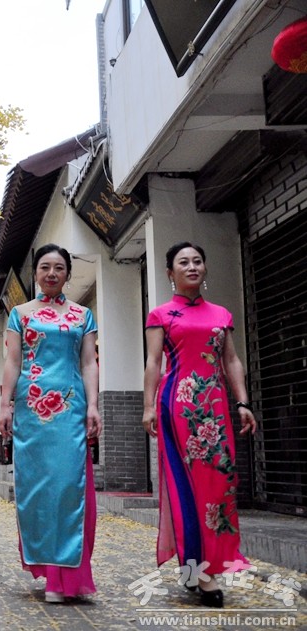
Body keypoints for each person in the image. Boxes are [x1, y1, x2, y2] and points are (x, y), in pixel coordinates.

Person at [143, 242, 257, 609]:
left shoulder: (221, 314)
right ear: (170, 272)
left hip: (216, 409)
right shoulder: (161, 314)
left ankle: (204, 564)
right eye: (183, 262)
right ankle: (202, 573)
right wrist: (148, 407)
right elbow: (153, 362)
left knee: (220, 486)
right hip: (178, 408)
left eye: (197, 261)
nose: (192, 267)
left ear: (205, 269)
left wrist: (242, 402)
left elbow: (232, 360)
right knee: (187, 489)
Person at [0, 243, 101, 604]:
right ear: (36, 273)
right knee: (37, 488)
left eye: (59, 267)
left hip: (70, 409)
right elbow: (13, 361)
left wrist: (94, 406)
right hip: (32, 410)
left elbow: (89, 362)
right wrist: (5, 404)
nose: (52, 273)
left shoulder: (83, 315)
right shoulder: (20, 313)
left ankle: (64, 575)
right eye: (45, 267)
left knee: (68, 486)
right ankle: (48, 568)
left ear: (68, 273)